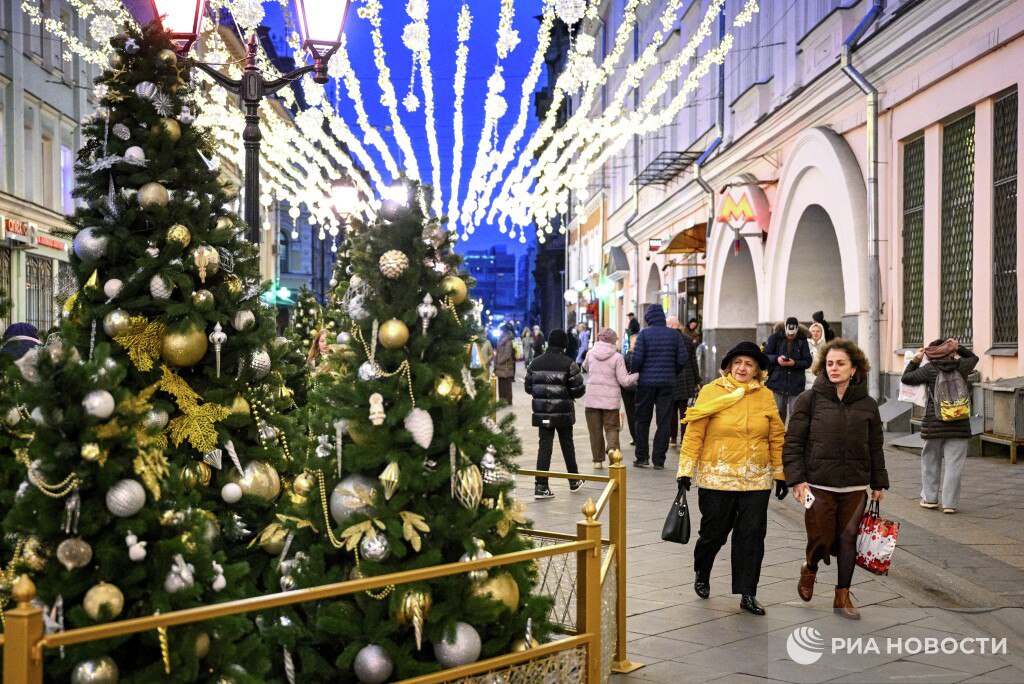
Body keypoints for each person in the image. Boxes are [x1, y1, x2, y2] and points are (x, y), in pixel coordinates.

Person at [676, 341, 786, 616]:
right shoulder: (711, 393)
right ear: (728, 366)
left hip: (755, 480)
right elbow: (694, 434)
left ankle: (748, 592)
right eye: (738, 362)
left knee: (751, 537)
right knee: (713, 534)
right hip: (717, 478)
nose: (743, 368)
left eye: (749, 364)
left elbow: (776, 437)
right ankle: (703, 569)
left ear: (757, 370)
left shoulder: (766, 396)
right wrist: (685, 471)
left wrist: (781, 473)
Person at [784, 339, 889, 620]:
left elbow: (875, 446)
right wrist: (796, 480)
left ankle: (842, 596)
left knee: (847, 541)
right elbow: (793, 442)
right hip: (818, 485)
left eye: (841, 363)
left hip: (855, 486)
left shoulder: (868, 405)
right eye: (829, 363)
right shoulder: (809, 400)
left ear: (854, 368)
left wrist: (878, 483)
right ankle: (810, 567)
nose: (834, 368)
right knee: (820, 538)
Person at [900, 338, 978, 514]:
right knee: (954, 465)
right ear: (951, 351)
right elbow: (974, 358)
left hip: (934, 424)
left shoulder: (929, 369)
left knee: (930, 462)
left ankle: (930, 499)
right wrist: (959, 348)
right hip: (959, 424)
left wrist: (916, 360)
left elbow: (906, 378)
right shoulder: (962, 367)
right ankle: (949, 504)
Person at [524, 329, 586, 498]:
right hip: (563, 413)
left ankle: (541, 486)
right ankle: (574, 480)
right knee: (567, 444)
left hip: (543, 412)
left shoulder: (535, 363)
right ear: (564, 345)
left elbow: (528, 388)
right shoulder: (569, 363)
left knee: (544, 446)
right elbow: (579, 391)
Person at [631, 306, 688, 469]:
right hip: (667, 383)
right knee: (664, 420)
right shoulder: (675, 335)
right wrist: (672, 372)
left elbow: (637, 358)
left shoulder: (644, 334)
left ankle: (642, 457)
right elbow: (682, 358)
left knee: (642, 419)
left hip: (646, 384)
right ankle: (659, 459)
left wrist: (637, 371)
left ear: (649, 318)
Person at [583, 328, 638, 468]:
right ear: (613, 341)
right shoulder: (617, 357)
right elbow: (624, 381)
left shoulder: (590, 353)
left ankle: (597, 461)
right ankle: (613, 453)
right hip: (610, 401)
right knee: (612, 428)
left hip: (592, 399)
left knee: (594, 431)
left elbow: (585, 367)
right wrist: (637, 375)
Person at [763, 317, 812, 423]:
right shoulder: (775, 338)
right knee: (777, 413)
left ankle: (792, 437)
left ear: (797, 329)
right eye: (788, 334)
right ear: (785, 328)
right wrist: (777, 359)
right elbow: (765, 356)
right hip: (777, 382)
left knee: (795, 413)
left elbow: (808, 361)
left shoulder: (801, 340)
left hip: (795, 383)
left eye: (792, 334)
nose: (790, 336)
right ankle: (778, 437)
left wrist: (794, 363)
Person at [666, 317, 701, 447]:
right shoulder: (687, 340)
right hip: (686, 379)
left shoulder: (667, 341)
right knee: (684, 410)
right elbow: (693, 362)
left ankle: (673, 438)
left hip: (672, 378)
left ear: (670, 325)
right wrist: (697, 380)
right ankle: (684, 438)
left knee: (672, 410)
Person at [493, 322, 516, 403]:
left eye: (501, 330)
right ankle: (502, 400)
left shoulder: (508, 341)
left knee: (507, 384)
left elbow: (507, 354)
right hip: (501, 366)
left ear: (504, 331)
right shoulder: (501, 339)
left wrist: (499, 361)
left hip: (506, 366)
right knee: (501, 384)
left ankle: (508, 400)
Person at [621, 347, 638, 446]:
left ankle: (635, 437)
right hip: (640, 387)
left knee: (630, 413)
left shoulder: (624, 357)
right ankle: (640, 436)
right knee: (641, 413)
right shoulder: (642, 355)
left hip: (626, 389)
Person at [805, 322, 826, 390]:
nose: (815, 333)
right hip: (807, 375)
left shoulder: (825, 346)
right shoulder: (805, 345)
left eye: (818, 331)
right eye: (813, 331)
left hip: (820, 376)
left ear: (822, 333)